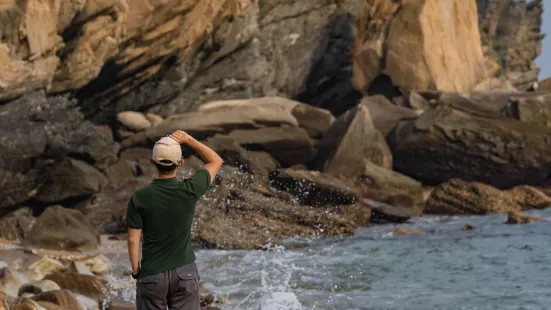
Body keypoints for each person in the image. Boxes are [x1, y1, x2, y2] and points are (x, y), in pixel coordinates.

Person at [126, 130, 223, 310]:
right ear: (180, 163)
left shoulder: (139, 197)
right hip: (185, 273)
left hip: (152, 274)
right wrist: (188, 140)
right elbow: (215, 160)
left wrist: (136, 270)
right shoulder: (190, 189)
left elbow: (133, 240)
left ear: (152, 162)